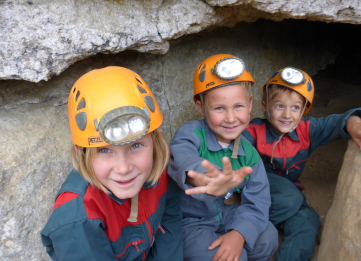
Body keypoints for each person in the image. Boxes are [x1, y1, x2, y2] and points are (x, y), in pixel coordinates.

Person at [41, 67, 183, 261]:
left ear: (156, 142)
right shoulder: (77, 220)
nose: (123, 169)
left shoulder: (158, 170)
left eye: (136, 145)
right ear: (80, 152)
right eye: (104, 150)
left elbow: (170, 220)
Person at [242, 67, 361, 261]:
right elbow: (235, 151)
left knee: (308, 220)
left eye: (295, 107)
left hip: (287, 194)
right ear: (265, 106)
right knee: (292, 198)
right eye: (279, 106)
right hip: (256, 188)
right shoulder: (253, 131)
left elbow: (338, 121)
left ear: (304, 109)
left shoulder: (307, 129)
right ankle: (252, 219)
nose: (287, 115)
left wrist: (354, 123)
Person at [168, 54, 278, 261]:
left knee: (267, 238)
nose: (230, 118)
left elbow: (258, 202)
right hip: (191, 221)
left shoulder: (249, 153)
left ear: (250, 104)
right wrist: (204, 177)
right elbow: (180, 157)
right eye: (219, 108)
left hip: (226, 215)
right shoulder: (191, 134)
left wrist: (238, 234)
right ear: (201, 107)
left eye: (238, 106)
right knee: (229, 258)